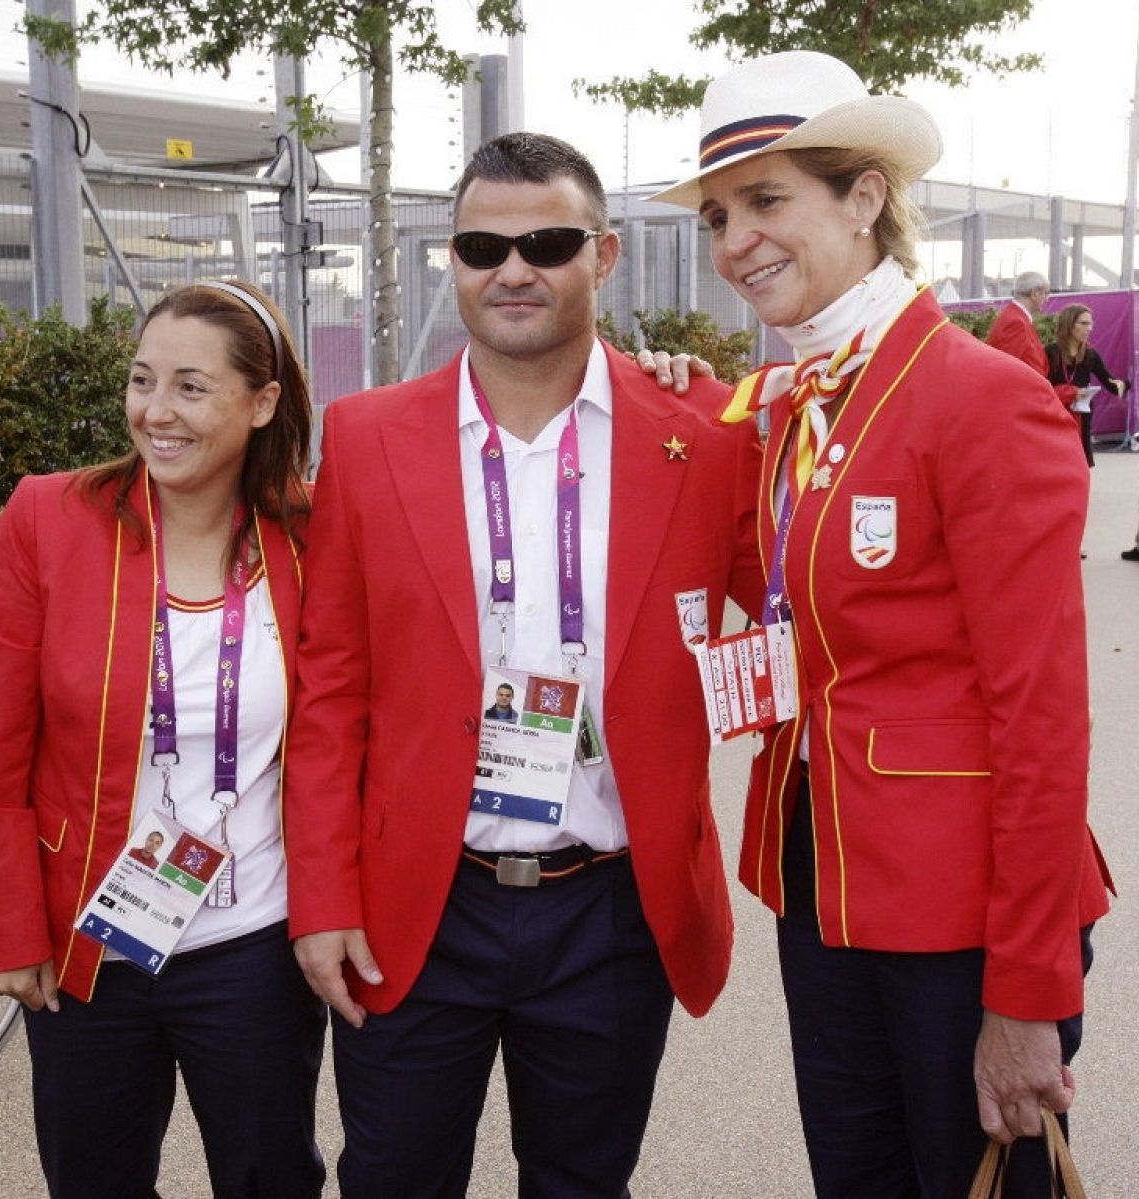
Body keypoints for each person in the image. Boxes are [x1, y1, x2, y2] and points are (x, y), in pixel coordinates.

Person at [652, 50, 1113, 1198]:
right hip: (824, 877)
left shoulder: (979, 397)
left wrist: (1026, 988)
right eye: (717, 217)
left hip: (958, 909)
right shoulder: (798, 403)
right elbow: (784, 587)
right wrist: (680, 407)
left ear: (864, 197)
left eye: (766, 200)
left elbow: (1042, 716)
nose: (735, 242)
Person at [285, 131, 763, 1199]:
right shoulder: (364, 436)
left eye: (546, 244)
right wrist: (319, 896)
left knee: (583, 1182)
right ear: (451, 260)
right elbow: (330, 690)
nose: (512, 270)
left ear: (603, 256)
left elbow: (812, 600)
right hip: (418, 902)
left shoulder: (704, 431)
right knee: (393, 1181)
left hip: (610, 910)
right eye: (480, 247)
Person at [0, 280, 327, 1199]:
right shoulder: (49, 518)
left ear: (262, 401)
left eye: (191, 387)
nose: (156, 411)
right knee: (93, 1179)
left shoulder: (311, 534)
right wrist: (7, 924)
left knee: (271, 1175)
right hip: (90, 938)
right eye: (141, 379)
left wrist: (653, 386)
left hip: (253, 938)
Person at [1046, 303, 1130, 467]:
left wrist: (1124, 384)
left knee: (1081, 465)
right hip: (1056, 416)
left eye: (1091, 324)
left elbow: (1111, 384)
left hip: (1082, 418)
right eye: (1084, 323)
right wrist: (1071, 392)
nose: (1089, 328)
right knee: (1057, 464)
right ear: (1069, 324)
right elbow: (1042, 386)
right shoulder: (1051, 352)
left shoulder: (1090, 355)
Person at [986, 270, 1051, 378]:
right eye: (1046, 293)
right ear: (1035, 293)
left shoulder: (1017, 317)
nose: (1047, 299)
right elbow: (1006, 369)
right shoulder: (1016, 322)